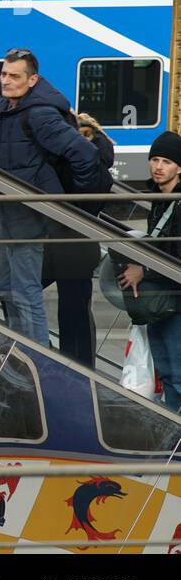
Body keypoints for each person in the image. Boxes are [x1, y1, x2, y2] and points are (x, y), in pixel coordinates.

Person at [0, 48, 98, 346]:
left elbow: (86, 154)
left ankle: (39, 360)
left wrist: (75, 203)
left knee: (25, 291)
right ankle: (19, 352)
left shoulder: (40, 113)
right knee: (7, 287)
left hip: (28, 215)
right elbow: (2, 153)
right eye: (3, 74)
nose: (6, 81)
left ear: (32, 79)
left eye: (14, 76)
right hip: (4, 210)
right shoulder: (4, 106)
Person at [40, 112, 116, 367]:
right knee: (76, 313)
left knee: (20, 291)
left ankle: (50, 356)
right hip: (82, 245)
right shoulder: (100, 167)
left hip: (65, 242)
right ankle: (81, 368)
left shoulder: (75, 165)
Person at [116, 131, 181, 411]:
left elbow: (175, 256)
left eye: (166, 161)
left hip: (174, 300)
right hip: (162, 301)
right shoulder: (159, 199)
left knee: (177, 371)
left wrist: (144, 270)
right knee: (166, 371)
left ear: (179, 167)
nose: (158, 166)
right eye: (154, 159)